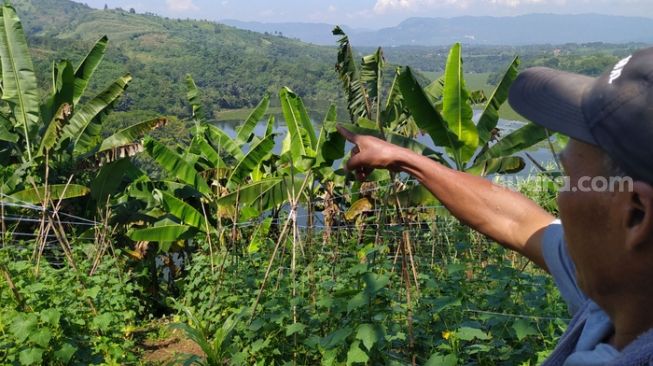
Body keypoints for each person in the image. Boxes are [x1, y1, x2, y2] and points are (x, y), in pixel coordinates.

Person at [337, 47, 653, 365]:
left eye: (570, 179)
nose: (560, 197)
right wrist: (404, 158)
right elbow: (518, 222)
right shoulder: (631, 283)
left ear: (636, 214)